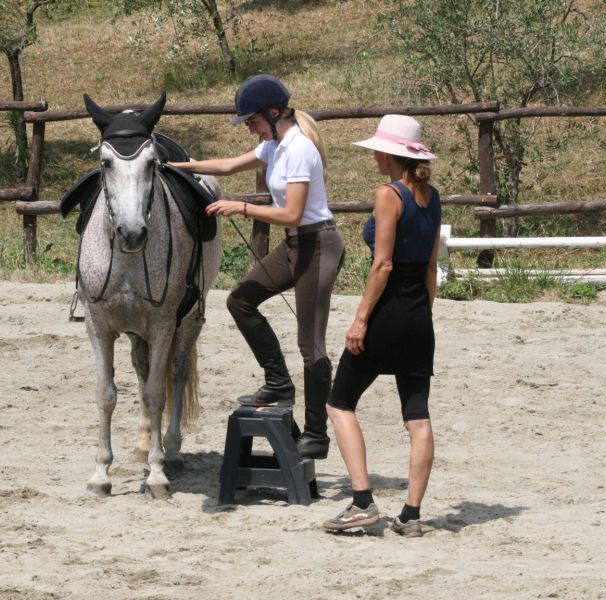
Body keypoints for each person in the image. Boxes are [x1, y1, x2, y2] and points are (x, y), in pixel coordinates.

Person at [170, 74, 345, 460]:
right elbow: (230, 165)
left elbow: (292, 212)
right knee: (240, 300)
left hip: (318, 244)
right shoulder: (274, 144)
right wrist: (175, 166)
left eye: (251, 120)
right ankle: (279, 383)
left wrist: (241, 207)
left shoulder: (299, 149)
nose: (249, 126)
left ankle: (316, 434)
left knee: (311, 347)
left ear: (273, 112)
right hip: (297, 243)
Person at [321, 115, 440, 536]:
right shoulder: (432, 195)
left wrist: (360, 320)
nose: (372, 154)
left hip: (386, 315)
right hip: (419, 318)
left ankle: (361, 502)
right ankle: (410, 516)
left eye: (376, 149)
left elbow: (383, 264)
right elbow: (430, 266)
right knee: (418, 417)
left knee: (339, 403)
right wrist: (423, 315)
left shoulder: (389, 194)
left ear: (391, 155)